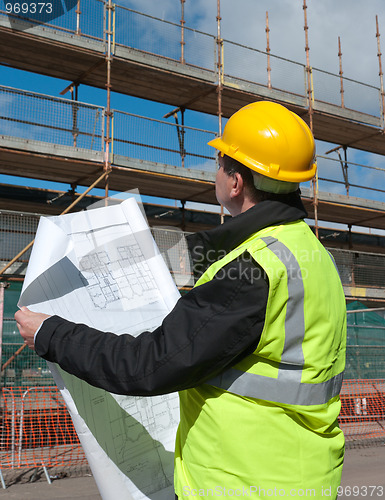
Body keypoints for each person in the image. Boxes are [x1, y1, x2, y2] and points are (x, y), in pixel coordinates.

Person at [16, 101, 347, 499]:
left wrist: (51, 334)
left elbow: (150, 365)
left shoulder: (252, 270)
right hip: (304, 476)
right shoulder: (313, 255)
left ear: (236, 182)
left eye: (221, 161)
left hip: (244, 484)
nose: (217, 171)